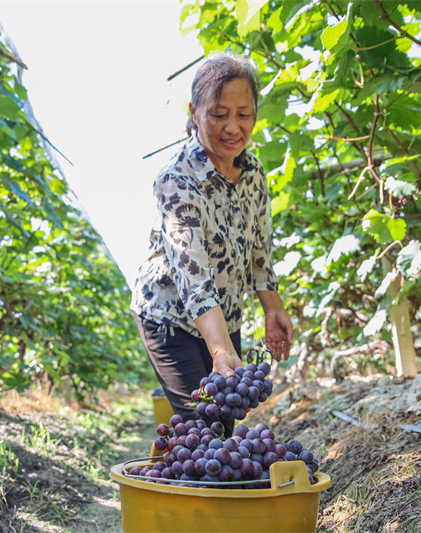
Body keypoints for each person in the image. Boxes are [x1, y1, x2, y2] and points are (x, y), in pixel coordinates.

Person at [131, 53, 293, 432]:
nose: (233, 127)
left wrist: (273, 308)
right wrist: (220, 350)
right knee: (204, 427)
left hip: (224, 315)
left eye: (244, 114)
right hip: (170, 318)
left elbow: (259, 248)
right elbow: (193, 278)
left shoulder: (253, 172)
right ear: (194, 112)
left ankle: (173, 462)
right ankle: (173, 465)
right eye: (219, 114)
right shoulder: (177, 179)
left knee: (225, 418)